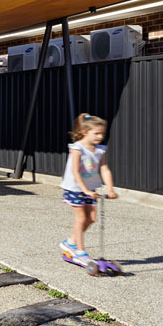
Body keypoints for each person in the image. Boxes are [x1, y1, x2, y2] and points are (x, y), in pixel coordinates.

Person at [59, 113, 117, 272]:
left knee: (92, 218)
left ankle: (70, 242)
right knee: (81, 218)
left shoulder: (100, 150)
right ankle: (79, 251)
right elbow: (75, 171)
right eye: (96, 133)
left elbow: (104, 169)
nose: (100, 137)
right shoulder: (77, 148)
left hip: (91, 189)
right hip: (75, 188)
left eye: (102, 134)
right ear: (85, 132)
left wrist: (110, 188)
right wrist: (85, 190)